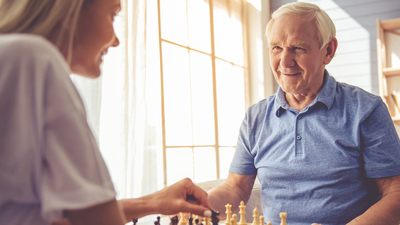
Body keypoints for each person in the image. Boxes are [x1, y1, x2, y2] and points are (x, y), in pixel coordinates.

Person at [0, 0, 212, 225]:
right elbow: (98, 220)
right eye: (113, 15)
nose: (116, 40)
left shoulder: (13, 57)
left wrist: (151, 202)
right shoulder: (33, 58)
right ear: (70, 11)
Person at [207, 2, 400, 225]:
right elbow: (236, 187)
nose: (285, 62)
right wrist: (199, 205)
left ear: (328, 50)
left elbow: (395, 194)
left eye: (298, 48)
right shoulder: (255, 117)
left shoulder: (366, 109)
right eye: (276, 48)